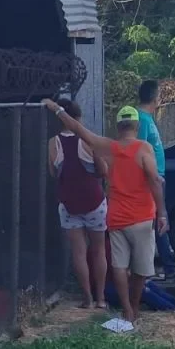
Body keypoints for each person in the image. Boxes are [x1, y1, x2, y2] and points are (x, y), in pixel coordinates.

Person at [42, 99, 168, 323]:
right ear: (137, 127)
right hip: (125, 213)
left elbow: (76, 134)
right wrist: (162, 212)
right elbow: (152, 180)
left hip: (105, 214)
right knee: (130, 264)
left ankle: (108, 303)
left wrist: (56, 109)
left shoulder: (105, 147)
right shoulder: (143, 148)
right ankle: (122, 304)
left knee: (109, 263)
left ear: (118, 127)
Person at [47, 99, 109, 309]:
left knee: (78, 253)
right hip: (94, 202)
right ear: (78, 117)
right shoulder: (88, 141)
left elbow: (53, 173)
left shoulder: (53, 142)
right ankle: (101, 299)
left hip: (69, 204)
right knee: (98, 251)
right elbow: (103, 171)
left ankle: (87, 299)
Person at [103, 231, 175, 313]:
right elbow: (123, 273)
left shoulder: (112, 243)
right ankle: (172, 309)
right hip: (108, 288)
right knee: (143, 290)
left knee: (148, 284)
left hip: (113, 284)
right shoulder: (111, 245)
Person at [137, 80, 175, 280]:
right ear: (154, 97)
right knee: (159, 219)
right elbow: (140, 150)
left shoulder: (149, 118)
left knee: (160, 218)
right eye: (159, 94)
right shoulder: (142, 120)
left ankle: (168, 265)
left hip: (158, 176)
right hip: (152, 178)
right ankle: (165, 265)